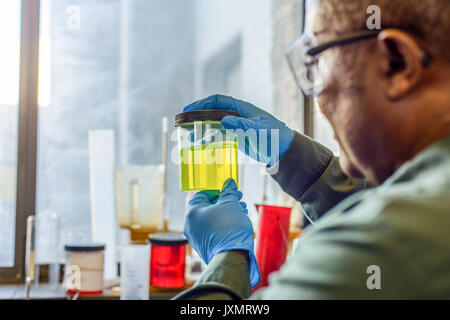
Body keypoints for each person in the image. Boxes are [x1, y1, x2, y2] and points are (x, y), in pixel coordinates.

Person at [174, 0, 450, 299]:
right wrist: (291, 158)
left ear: (396, 63)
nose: (318, 103)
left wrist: (227, 257)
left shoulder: (383, 243)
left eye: (315, 63)